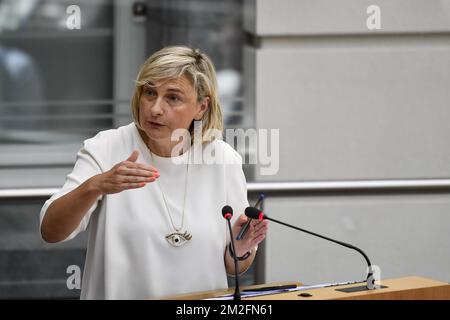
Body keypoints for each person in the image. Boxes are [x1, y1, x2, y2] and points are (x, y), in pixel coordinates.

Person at [39, 46, 268, 299]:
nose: (155, 108)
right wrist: (95, 186)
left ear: (202, 107)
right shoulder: (106, 147)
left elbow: (234, 265)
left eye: (173, 97)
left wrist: (240, 250)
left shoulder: (223, 160)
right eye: (150, 92)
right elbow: (51, 231)